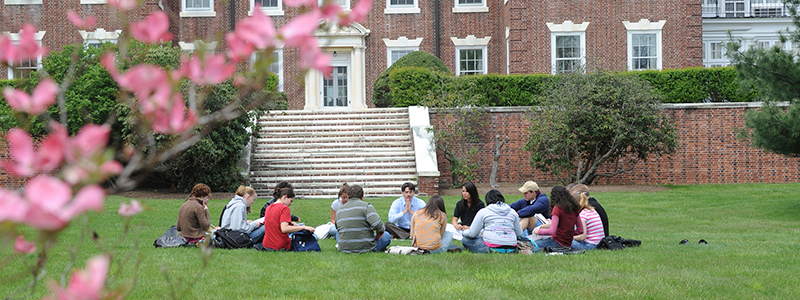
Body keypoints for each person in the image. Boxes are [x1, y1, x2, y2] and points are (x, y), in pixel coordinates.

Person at [336, 185, 391, 253]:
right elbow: (377, 224)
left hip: (344, 248)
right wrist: (380, 231)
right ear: (362, 197)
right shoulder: (367, 207)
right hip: (366, 247)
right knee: (386, 236)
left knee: (337, 234)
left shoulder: (339, 210)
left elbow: (338, 228)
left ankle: (345, 245)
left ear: (348, 197)